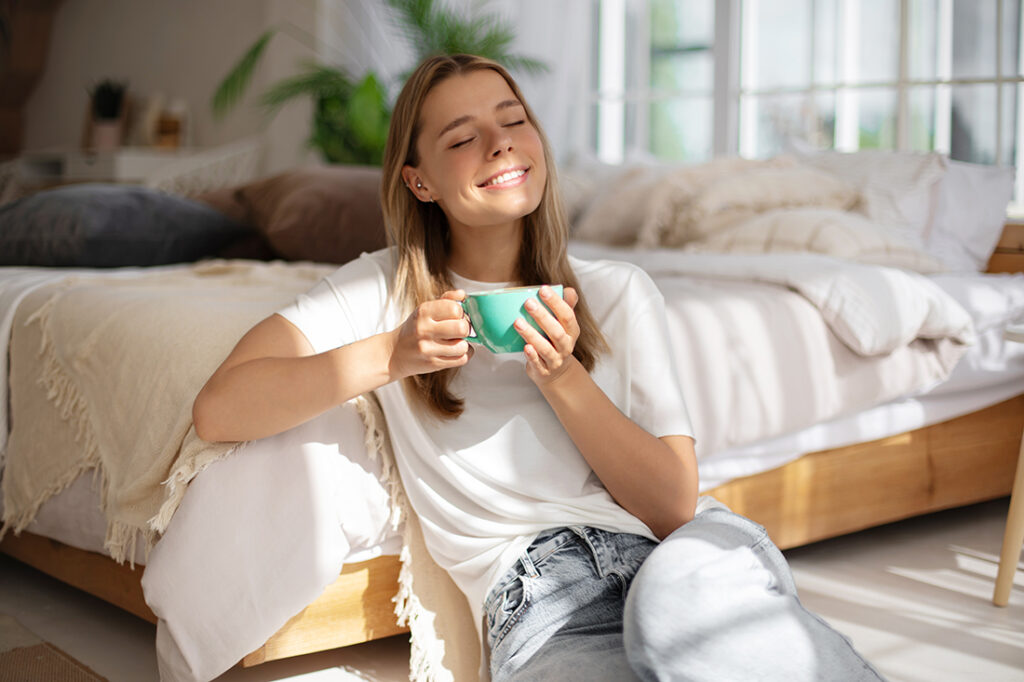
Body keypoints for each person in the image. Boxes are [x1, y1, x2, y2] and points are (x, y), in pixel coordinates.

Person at [193, 53, 885, 682]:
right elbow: (221, 408)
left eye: (513, 120)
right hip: (543, 610)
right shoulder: (382, 294)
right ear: (420, 181)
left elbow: (673, 505)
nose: (499, 144)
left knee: (678, 614)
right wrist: (391, 355)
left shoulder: (618, 290)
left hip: (677, 560)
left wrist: (562, 377)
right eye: (462, 138)